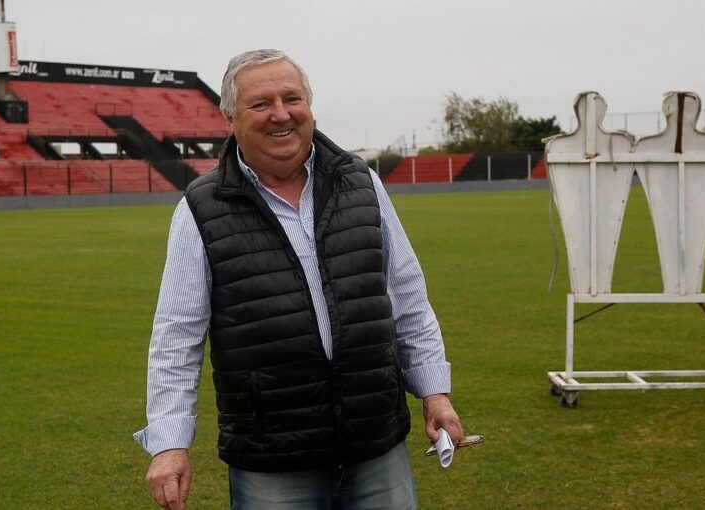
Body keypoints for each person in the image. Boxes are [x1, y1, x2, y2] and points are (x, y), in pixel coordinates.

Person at [134, 48, 464, 510]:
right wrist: (170, 442)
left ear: (309, 104)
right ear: (230, 117)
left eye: (292, 98)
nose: (280, 115)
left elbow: (407, 297)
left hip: (375, 445)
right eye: (260, 104)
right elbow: (176, 335)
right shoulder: (199, 210)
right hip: (273, 462)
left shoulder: (362, 184)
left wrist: (435, 393)